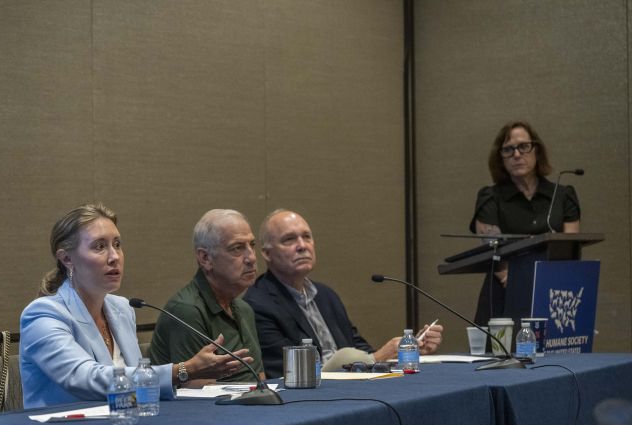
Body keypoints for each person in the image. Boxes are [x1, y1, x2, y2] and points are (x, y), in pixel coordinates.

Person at [20, 204, 251, 408]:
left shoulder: (122, 309)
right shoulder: (44, 315)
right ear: (67, 259)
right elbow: (84, 378)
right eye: (99, 247)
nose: (114, 257)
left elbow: (137, 388)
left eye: (117, 244)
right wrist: (183, 370)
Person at [244, 209, 443, 379]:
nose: (302, 245)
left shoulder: (325, 295)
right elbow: (289, 372)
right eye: (289, 239)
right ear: (267, 253)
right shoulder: (258, 304)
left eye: (306, 237)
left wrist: (407, 351)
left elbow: (361, 351)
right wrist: (378, 357)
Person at [470, 121, 581, 324]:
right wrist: (515, 284)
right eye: (508, 150)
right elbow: (491, 249)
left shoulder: (563, 195)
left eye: (523, 147)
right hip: (505, 292)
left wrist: (550, 288)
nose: (517, 155)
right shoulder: (490, 197)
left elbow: (569, 248)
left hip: (554, 294)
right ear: (500, 158)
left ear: (536, 151)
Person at [149, 209, 266, 386]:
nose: (251, 257)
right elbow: (197, 391)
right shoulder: (186, 310)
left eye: (252, 245)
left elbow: (259, 379)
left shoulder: (244, 309)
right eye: (237, 248)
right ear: (205, 258)